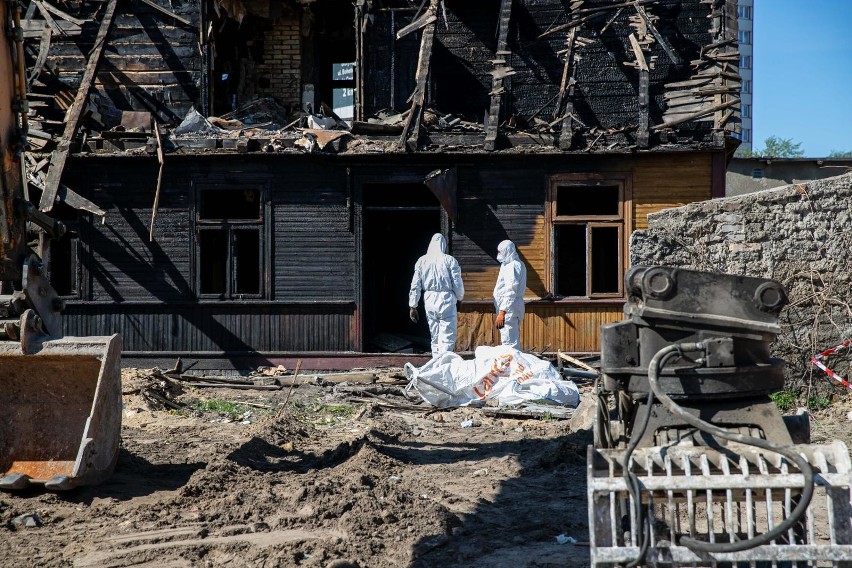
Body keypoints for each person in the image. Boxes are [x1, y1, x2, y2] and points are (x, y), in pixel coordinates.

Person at [409, 233, 465, 357]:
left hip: (429, 300)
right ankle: (444, 365)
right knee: (447, 336)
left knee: (434, 336)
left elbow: (415, 284)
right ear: (443, 245)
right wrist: (460, 297)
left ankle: (436, 362)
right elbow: (457, 282)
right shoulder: (449, 260)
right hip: (446, 299)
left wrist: (413, 305)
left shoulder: (422, 260)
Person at [493, 239, 527, 349]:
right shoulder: (508, 265)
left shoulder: (513, 266)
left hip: (509, 309)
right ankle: (511, 363)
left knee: (509, 342)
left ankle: (512, 365)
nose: (499, 255)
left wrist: (502, 312)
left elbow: (511, 289)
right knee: (508, 339)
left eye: (501, 252)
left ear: (508, 251)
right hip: (508, 308)